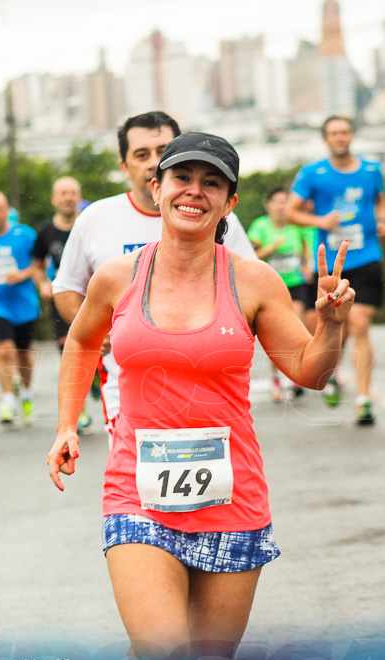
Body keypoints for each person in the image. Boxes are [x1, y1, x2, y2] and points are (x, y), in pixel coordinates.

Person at [46, 132, 354, 660]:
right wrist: (66, 425)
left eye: (212, 183)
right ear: (157, 186)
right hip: (137, 494)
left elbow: (310, 372)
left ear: (230, 202)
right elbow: (81, 342)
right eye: (182, 178)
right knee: (165, 656)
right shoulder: (117, 278)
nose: (195, 192)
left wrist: (329, 325)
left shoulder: (254, 282)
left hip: (231, 498)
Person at [53, 112, 258, 441]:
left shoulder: (217, 219)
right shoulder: (95, 219)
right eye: (141, 154)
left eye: (163, 151)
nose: (153, 161)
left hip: (208, 394)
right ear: (124, 166)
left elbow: (252, 291)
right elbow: (66, 288)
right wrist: (95, 328)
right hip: (127, 393)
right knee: (134, 485)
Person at [286, 115, 385, 425]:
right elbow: (292, 212)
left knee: (360, 323)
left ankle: (363, 400)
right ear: (326, 139)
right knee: (340, 328)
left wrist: (383, 220)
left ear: (352, 135)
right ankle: (331, 374)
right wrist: (320, 222)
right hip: (332, 263)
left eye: (344, 131)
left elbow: (381, 201)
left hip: (367, 256)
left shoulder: (371, 170)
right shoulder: (312, 173)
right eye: (334, 133)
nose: (340, 137)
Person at [32, 176, 95, 434]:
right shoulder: (46, 232)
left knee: (96, 347)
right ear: (54, 199)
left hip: (94, 297)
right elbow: (37, 265)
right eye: (63, 193)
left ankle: (96, 378)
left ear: (79, 197)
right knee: (68, 351)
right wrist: (43, 285)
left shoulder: (90, 226)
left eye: (73, 193)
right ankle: (80, 411)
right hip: (63, 298)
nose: (68, 197)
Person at [0, 192, 42, 425]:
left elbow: (40, 264)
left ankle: (26, 393)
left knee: (24, 355)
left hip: (24, 303)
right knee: (4, 350)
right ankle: (7, 400)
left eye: (0, 210)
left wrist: (23, 274)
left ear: (7, 211)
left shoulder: (25, 235)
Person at [247, 185, 316, 402]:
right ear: (268, 205)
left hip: (295, 284)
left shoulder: (296, 226)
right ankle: (276, 378)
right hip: (270, 288)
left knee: (296, 326)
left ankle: (295, 377)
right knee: (275, 336)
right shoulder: (260, 227)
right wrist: (271, 248)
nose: (281, 206)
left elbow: (307, 249)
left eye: (285, 202)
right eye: (277, 202)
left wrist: (308, 266)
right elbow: (249, 256)